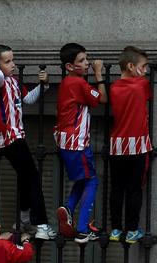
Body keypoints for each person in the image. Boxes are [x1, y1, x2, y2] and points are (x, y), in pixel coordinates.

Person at [0, 45, 54, 240]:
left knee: (26, 176)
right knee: (32, 177)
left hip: (15, 136)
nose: (13, 64)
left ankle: (24, 218)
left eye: (13, 60)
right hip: (7, 138)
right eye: (7, 61)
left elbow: (28, 99)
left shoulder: (13, 81)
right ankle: (40, 224)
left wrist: (43, 86)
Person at [54, 42, 106, 241]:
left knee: (83, 179)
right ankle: (83, 229)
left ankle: (68, 209)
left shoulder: (67, 83)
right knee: (92, 181)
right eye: (82, 61)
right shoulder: (77, 83)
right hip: (77, 143)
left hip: (65, 141)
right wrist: (99, 73)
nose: (87, 64)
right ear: (69, 66)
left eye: (87, 59)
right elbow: (102, 99)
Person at [107, 45, 153, 244]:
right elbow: (148, 96)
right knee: (134, 189)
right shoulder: (141, 84)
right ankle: (132, 229)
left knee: (117, 188)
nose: (145, 71)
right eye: (143, 67)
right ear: (131, 66)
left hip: (116, 145)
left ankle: (115, 229)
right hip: (137, 146)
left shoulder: (114, 87)